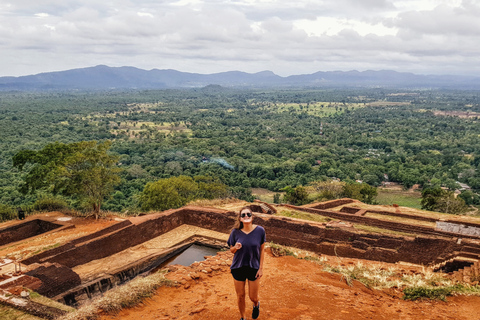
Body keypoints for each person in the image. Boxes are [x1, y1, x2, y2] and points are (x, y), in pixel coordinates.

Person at [227, 206, 266, 320]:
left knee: (253, 297)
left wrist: (261, 268)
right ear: (240, 218)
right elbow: (231, 250)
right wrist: (235, 247)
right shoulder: (235, 232)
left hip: (253, 267)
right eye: (243, 215)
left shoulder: (260, 231)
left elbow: (262, 249)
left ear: (252, 217)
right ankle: (243, 317)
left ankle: (256, 304)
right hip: (238, 267)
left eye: (248, 214)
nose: (246, 216)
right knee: (240, 296)